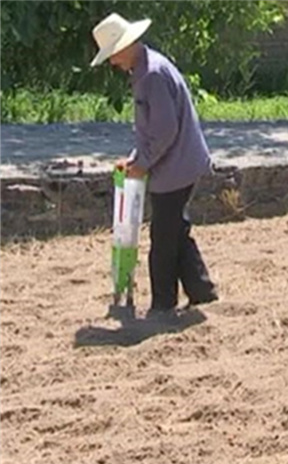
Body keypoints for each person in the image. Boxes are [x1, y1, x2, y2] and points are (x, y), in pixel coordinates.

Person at [90, 13, 218, 320]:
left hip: (175, 169)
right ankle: (201, 291)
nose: (112, 62)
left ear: (126, 46)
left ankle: (163, 303)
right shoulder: (149, 68)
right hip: (181, 164)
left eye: (112, 54)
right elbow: (155, 130)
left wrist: (143, 163)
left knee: (163, 237)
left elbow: (164, 131)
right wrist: (137, 159)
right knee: (175, 229)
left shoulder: (151, 76)